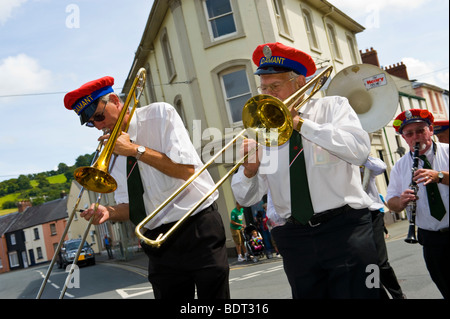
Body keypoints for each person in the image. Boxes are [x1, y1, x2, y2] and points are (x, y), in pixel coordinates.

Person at [231, 42, 379, 298]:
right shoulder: (263, 128)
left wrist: (300, 123)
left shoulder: (333, 107)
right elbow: (246, 198)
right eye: (263, 88)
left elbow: (359, 151)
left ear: (299, 83)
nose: (267, 94)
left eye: (274, 86)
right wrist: (249, 171)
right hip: (294, 236)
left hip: (345, 228)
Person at [64, 76, 230, 299]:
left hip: (197, 225)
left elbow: (187, 171)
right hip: (157, 239)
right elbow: (131, 206)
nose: (99, 126)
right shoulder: (109, 151)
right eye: (91, 123)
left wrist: (134, 150)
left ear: (115, 100)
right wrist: (109, 212)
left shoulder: (159, 114)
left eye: (99, 116)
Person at [386, 109, 449, 299]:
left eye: (420, 130)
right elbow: (391, 202)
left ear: (430, 130)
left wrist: (439, 176)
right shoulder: (400, 166)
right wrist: (401, 201)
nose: (416, 137)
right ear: (404, 138)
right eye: (409, 133)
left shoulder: (447, 151)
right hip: (432, 241)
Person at [362, 156, 405, 299]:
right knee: (367, 266)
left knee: (380, 262)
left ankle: (398, 296)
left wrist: (359, 156)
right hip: (351, 219)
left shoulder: (364, 164)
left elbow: (381, 167)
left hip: (372, 215)